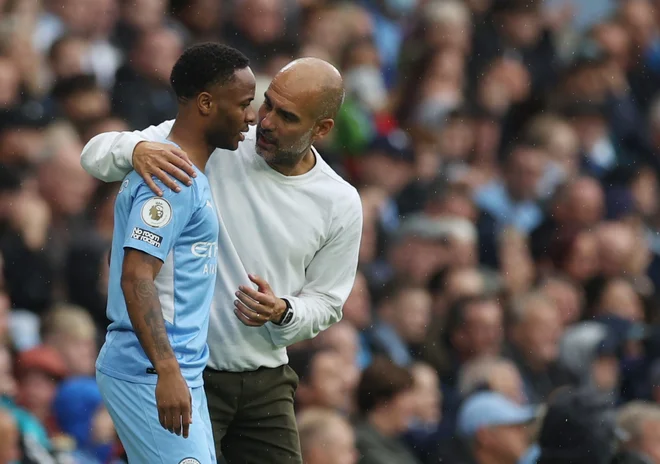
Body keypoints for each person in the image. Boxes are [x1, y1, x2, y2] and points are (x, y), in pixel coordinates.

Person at [81, 57, 362, 463]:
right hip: (191, 371)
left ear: (322, 129)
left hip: (264, 378)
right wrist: (137, 147)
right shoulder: (225, 140)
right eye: (267, 104)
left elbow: (329, 301)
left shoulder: (340, 202)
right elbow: (94, 154)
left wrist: (284, 311)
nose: (264, 121)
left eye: (286, 116)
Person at [94, 43, 256, 464]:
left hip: (178, 371)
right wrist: (166, 369)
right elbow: (135, 275)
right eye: (243, 104)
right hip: (149, 371)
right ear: (206, 103)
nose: (251, 116)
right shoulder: (172, 179)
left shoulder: (186, 174)